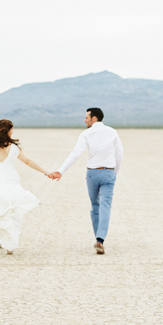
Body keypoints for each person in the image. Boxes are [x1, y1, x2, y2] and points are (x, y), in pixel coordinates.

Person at [49, 108, 123, 254]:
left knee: (95, 205)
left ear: (94, 118)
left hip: (92, 173)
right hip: (108, 172)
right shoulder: (112, 132)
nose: (84, 120)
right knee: (106, 206)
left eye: (86, 117)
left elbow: (75, 153)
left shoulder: (86, 134)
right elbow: (119, 154)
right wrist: (114, 173)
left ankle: (98, 239)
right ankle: (100, 240)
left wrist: (61, 170)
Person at [0, 119, 50, 254]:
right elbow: (27, 161)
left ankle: (3, 240)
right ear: (7, 131)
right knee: (14, 213)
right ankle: (9, 243)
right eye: (12, 130)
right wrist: (45, 172)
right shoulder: (14, 147)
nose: (12, 132)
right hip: (12, 183)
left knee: (1, 211)